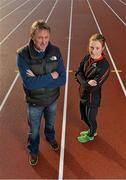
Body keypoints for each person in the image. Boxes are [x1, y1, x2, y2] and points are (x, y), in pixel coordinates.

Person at [17, 20, 66, 165]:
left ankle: (50, 138)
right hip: (34, 102)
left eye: (46, 37)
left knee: (50, 124)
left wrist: (38, 79)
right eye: (40, 37)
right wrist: (52, 76)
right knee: (34, 130)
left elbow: (62, 79)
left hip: (52, 99)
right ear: (32, 36)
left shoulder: (55, 51)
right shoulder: (22, 55)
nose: (44, 41)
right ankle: (33, 151)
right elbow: (30, 84)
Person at [75, 33, 110, 143]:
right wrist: (86, 83)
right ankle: (91, 129)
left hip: (92, 99)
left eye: (97, 48)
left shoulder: (104, 66)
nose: (93, 51)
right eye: (91, 47)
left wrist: (82, 81)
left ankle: (92, 133)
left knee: (90, 118)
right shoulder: (86, 58)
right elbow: (77, 73)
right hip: (82, 94)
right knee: (83, 116)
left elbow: (93, 87)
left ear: (102, 48)